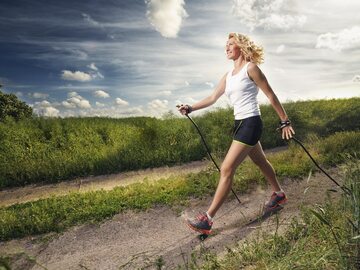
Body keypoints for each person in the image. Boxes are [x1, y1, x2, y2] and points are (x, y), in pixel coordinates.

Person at [177, 32, 295, 235]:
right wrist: (191, 107)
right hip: (239, 123)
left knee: (226, 168)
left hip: (251, 122)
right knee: (261, 162)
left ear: (241, 46)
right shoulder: (228, 75)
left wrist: (285, 120)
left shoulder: (251, 69)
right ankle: (279, 194)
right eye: (226, 45)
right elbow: (213, 97)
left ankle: (207, 219)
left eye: (231, 44)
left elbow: (270, 94)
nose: (227, 48)